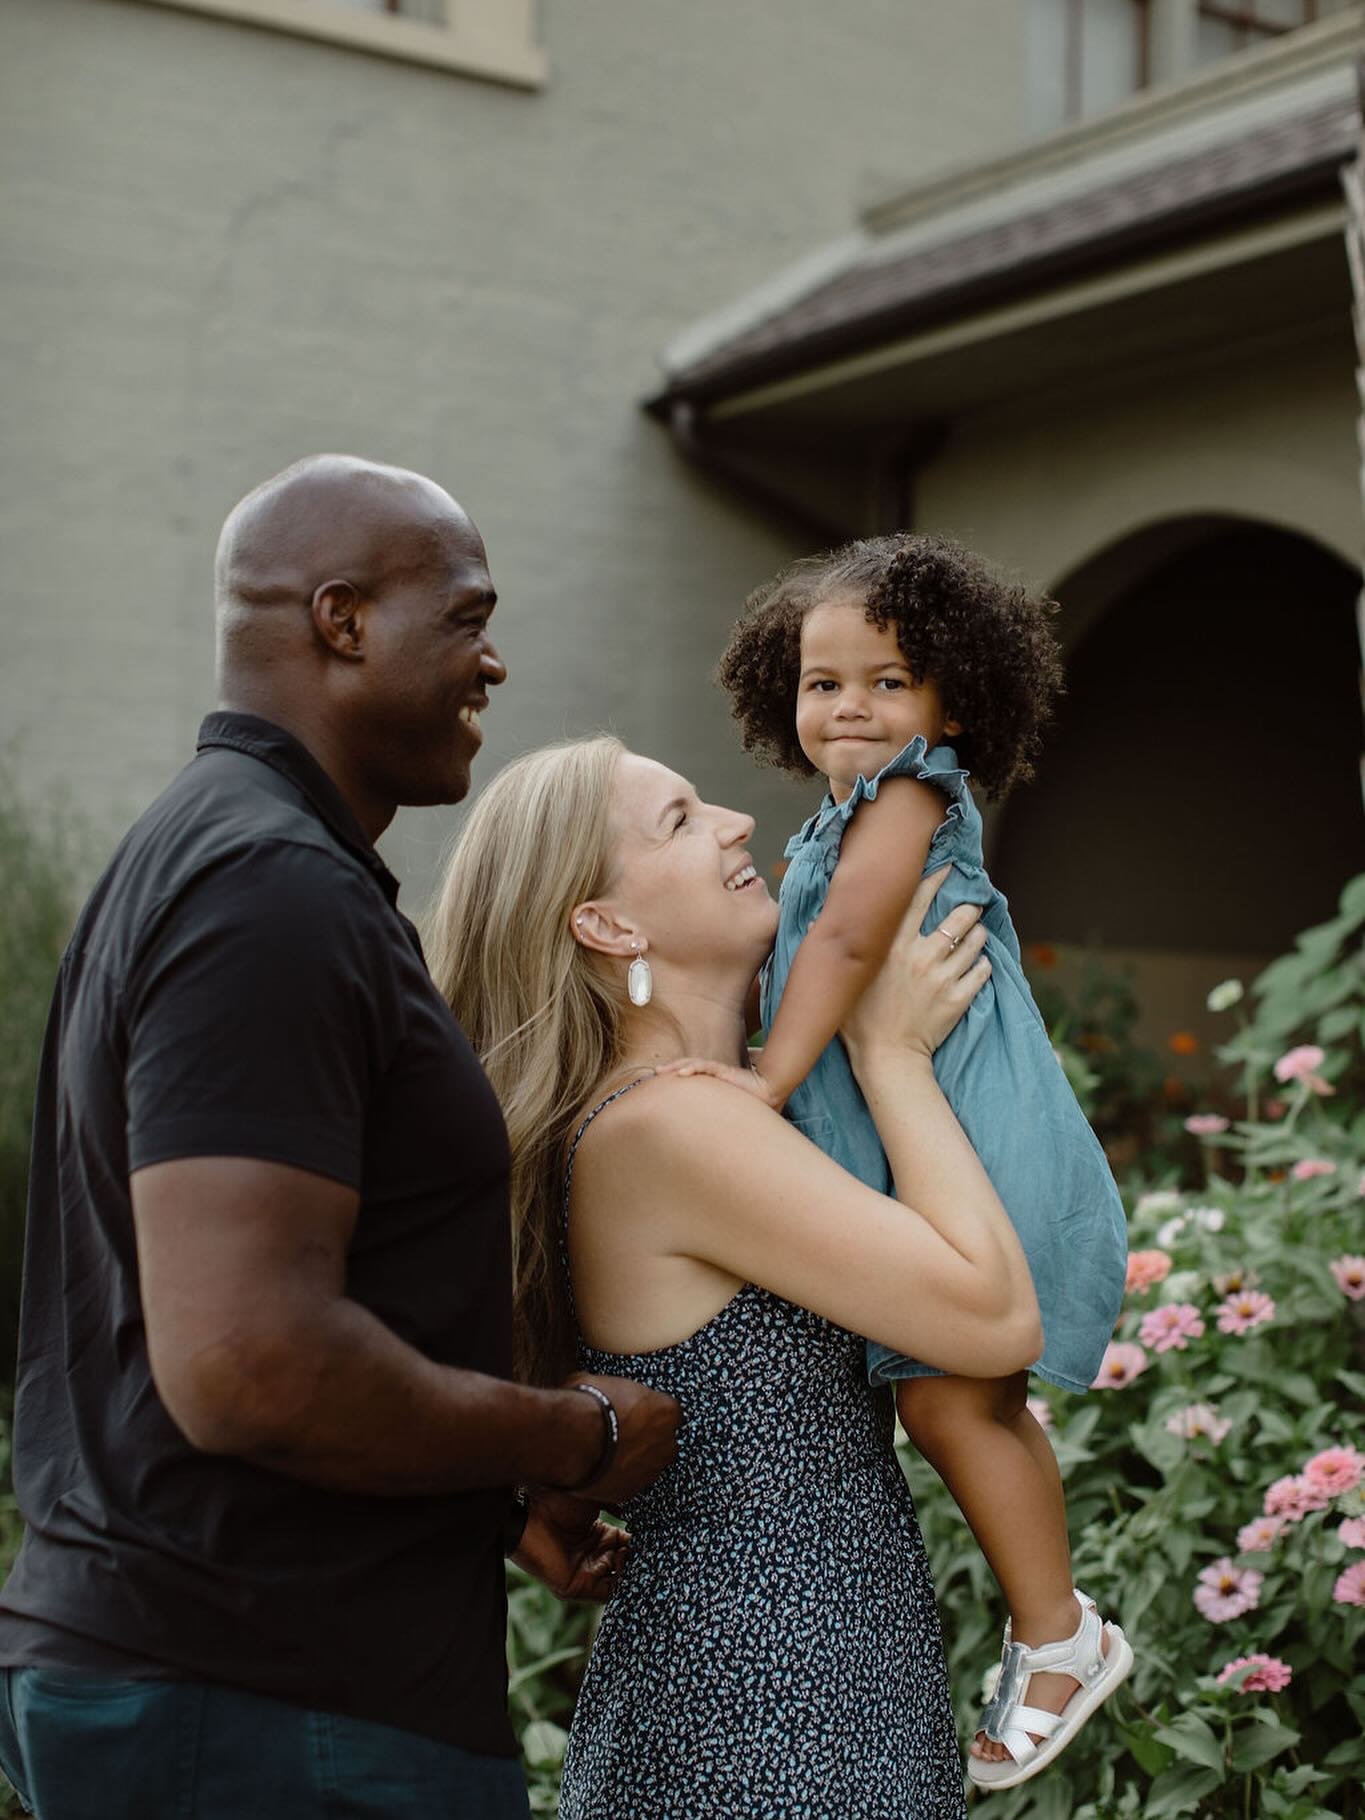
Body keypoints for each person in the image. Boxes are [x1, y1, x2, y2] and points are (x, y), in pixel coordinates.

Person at [0, 455, 679, 1820]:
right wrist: (565, 1431)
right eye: (469, 617)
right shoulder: (268, 890)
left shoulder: (226, 862)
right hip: (262, 1707)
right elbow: (252, 1363)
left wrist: (487, 1485)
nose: (493, 665)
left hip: (234, 1680)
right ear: (344, 620)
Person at [427, 733, 1044, 1818]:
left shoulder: (698, 1108)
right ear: (608, 925)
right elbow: (991, 1315)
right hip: (767, 1699)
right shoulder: (673, 1124)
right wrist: (891, 1055)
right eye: (679, 818)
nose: (738, 820)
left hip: (793, 1667)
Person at [673, 532, 1131, 1789]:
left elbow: (855, 938)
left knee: (951, 1393)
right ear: (786, 694)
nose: (852, 708)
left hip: (973, 1129)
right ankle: (1043, 1632)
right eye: (826, 682)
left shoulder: (914, 795)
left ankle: (1058, 1635)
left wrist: (768, 1074)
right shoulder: (833, 816)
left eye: (887, 679)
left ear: (951, 699)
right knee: (952, 1396)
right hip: (912, 1134)